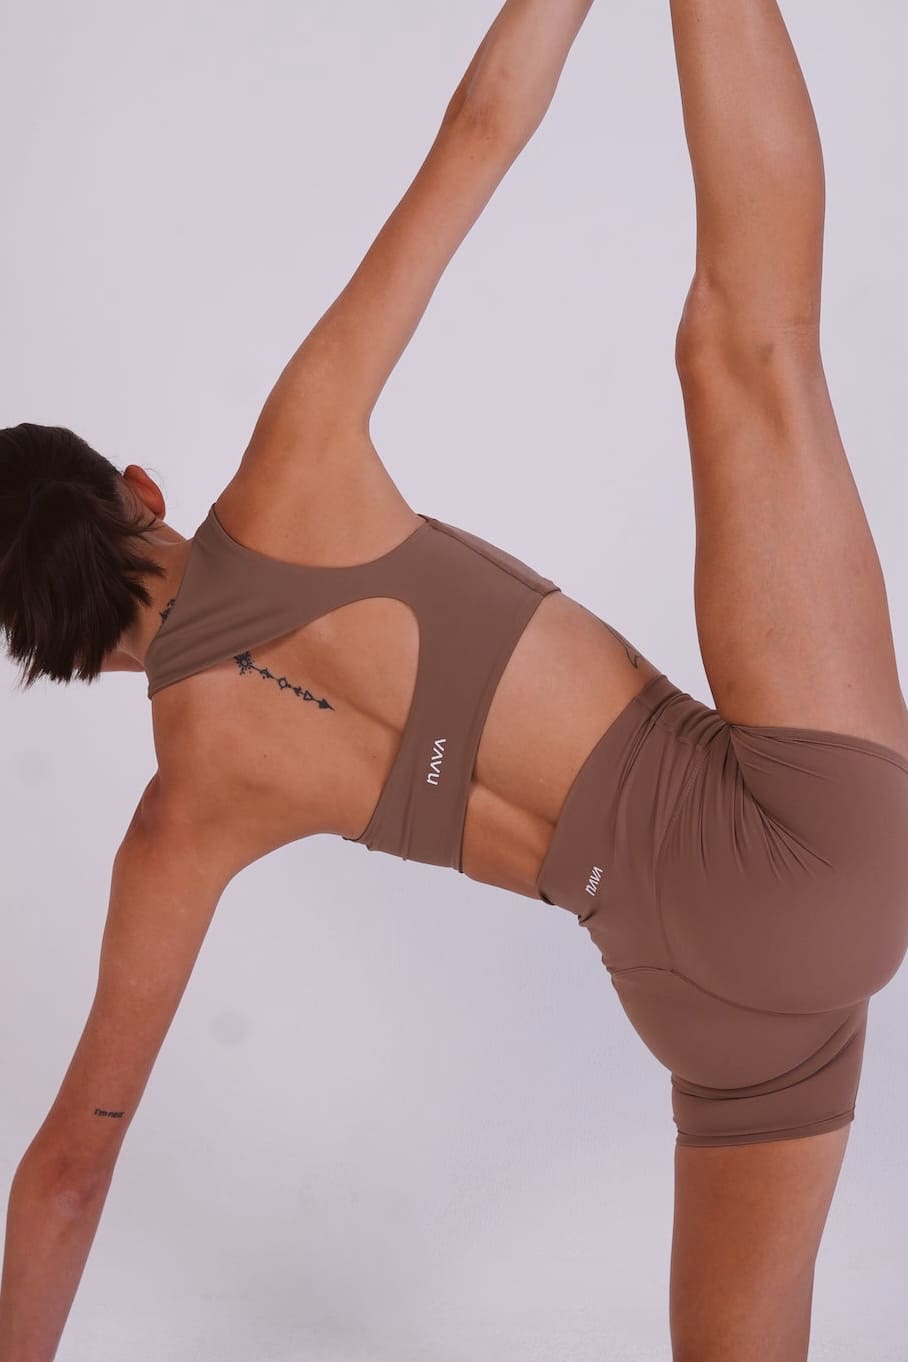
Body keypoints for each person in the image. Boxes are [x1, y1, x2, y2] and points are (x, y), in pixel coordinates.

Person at [1, 2, 906, 1357]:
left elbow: (72, 1172)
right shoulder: (294, 467)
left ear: (45, 645)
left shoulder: (177, 828)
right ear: (138, 488)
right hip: (799, 834)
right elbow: (482, 131)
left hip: (700, 1012)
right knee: (746, 343)